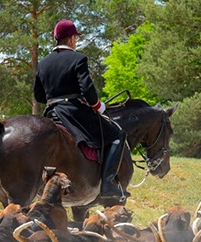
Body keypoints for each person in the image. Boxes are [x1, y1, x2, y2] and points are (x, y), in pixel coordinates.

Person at [33, 19, 129, 201]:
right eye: (75, 38)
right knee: (116, 134)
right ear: (70, 39)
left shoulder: (44, 62)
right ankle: (108, 183)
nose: (75, 41)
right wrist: (98, 106)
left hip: (52, 111)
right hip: (73, 112)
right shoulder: (78, 58)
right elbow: (87, 89)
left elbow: (39, 96)